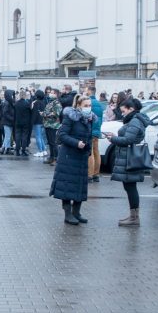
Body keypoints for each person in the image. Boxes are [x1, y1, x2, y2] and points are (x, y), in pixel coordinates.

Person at [103, 97, 152, 227]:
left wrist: (113, 138)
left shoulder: (135, 121)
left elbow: (128, 140)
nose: (122, 113)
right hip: (128, 157)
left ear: (131, 109)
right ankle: (133, 216)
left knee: (131, 187)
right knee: (129, 187)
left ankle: (134, 218)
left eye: (123, 111)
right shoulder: (134, 119)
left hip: (130, 158)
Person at [51, 96, 95, 225]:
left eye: (89, 105)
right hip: (69, 156)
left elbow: (89, 136)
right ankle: (68, 214)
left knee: (79, 185)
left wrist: (88, 150)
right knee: (67, 185)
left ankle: (77, 212)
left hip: (81, 156)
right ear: (78, 105)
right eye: (86, 105)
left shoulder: (90, 119)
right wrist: (76, 143)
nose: (88, 108)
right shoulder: (70, 117)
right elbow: (62, 135)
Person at [87, 88, 104, 182]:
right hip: (97, 131)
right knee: (97, 152)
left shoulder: (89, 103)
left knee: (90, 153)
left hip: (90, 131)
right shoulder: (99, 104)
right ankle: (96, 174)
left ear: (89, 92)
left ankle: (89, 175)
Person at [42, 88, 62, 166]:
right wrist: (43, 113)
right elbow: (47, 111)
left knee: (54, 143)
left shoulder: (57, 103)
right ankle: (51, 157)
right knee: (50, 143)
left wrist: (45, 114)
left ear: (56, 94)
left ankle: (56, 159)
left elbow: (56, 114)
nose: (50, 94)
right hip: (48, 124)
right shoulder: (50, 102)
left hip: (54, 125)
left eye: (53, 93)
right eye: (50, 93)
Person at [13, 90, 32, 157]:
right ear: (25, 96)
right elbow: (30, 113)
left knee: (17, 136)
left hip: (17, 122)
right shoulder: (27, 104)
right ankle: (23, 151)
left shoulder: (16, 103)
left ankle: (17, 151)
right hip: (25, 122)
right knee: (24, 136)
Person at [30, 90, 47, 158]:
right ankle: (44, 150)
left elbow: (34, 113)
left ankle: (40, 151)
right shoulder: (43, 102)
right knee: (41, 137)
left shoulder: (35, 103)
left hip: (36, 122)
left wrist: (32, 122)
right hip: (42, 121)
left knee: (38, 137)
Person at [0, 89, 16, 155]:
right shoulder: (7, 103)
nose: (13, 97)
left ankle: (4, 148)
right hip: (8, 122)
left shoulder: (8, 102)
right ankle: (7, 149)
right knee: (8, 136)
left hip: (8, 122)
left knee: (7, 136)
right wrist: (12, 119)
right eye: (12, 95)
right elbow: (5, 113)